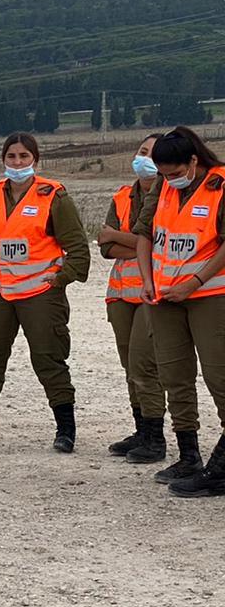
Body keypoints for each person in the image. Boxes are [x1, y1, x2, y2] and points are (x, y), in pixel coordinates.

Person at [0, 133, 90, 452]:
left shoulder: (52, 195)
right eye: (11, 157)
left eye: (24, 157)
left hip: (40, 292)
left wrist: (60, 280)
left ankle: (65, 429)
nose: (17, 162)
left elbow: (78, 249)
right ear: (3, 160)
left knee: (48, 357)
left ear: (35, 160)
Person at [136, 126, 225, 497]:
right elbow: (144, 234)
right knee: (175, 375)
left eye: (175, 173)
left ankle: (220, 467)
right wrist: (146, 279)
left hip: (210, 295)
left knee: (219, 374)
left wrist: (195, 281)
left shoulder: (220, 186)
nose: (169, 180)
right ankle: (189, 453)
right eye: (163, 173)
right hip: (164, 296)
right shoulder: (163, 188)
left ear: (193, 160)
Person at [97, 133, 173, 466]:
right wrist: (134, 242)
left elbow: (161, 245)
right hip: (120, 295)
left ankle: (155, 437)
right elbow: (105, 246)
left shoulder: (171, 198)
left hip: (153, 292)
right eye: (143, 151)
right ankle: (141, 429)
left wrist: (120, 237)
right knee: (130, 365)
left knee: (145, 363)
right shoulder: (122, 197)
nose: (146, 158)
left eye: (154, 155)